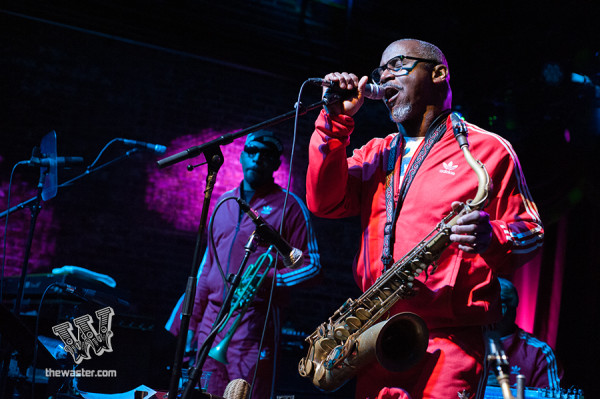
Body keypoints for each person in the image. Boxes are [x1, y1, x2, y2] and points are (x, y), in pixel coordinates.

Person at [306, 39, 544, 399]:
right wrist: (334, 122)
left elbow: (532, 231)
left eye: (397, 65)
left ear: (438, 74)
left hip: (450, 341)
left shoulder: (489, 150)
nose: (384, 77)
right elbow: (324, 201)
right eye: (379, 70)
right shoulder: (376, 152)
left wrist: (491, 236)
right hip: (375, 333)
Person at [166, 130, 321, 398]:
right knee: (204, 393)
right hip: (211, 323)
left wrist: (269, 278)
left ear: (276, 163)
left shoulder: (290, 206)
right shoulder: (223, 202)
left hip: (254, 323)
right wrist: (191, 326)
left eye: (267, 154)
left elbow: (312, 265)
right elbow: (207, 268)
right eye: (252, 151)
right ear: (241, 156)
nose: (258, 158)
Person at [486, 278, 563, 390]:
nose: (501, 313)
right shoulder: (465, 343)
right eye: (493, 306)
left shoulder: (540, 353)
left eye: (504, 305)